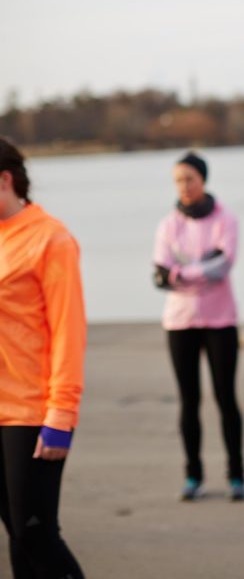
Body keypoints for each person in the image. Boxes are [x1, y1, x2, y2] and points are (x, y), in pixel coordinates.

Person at [0, 138, 86, 578]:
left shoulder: (51, 239)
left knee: (37, 533)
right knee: (17, 537)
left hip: (33, 412)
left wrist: (61, 413)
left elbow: (70, 332)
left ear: (4, 179)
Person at [153, 151, 244, 501]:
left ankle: (236, 474)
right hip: (180, 323)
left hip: (221, 320)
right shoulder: (168, 225)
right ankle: (193, 474)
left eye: (189, 179)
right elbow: (160, 275)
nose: (184, 186)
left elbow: (224, 265)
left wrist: (182, 271)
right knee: (188, 401)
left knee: (226, 399)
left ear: (203, 180)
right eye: (178, 180)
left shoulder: (226, 220)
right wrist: (197, 269)